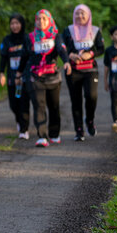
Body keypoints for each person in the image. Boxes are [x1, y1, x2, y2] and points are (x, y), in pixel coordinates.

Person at [18, 9, 71, 148]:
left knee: (54, 106)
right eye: (38, 19)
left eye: (44, 19)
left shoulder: (55, 36)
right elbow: (24, 56)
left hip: (53, 76)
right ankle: (42, 136)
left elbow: (61, 50)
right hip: (35, 76)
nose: (41, 21)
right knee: (39, 106)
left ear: (49, 21)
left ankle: (54, 134)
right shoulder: (30, 37)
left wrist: (66, 61)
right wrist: (19, 72)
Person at [62, 4, 104, 141]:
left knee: (91, 96)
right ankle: (79, 130)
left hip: (90, 70)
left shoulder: (95, 30)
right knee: (76, 100)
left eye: (82, 13)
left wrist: (90, 54)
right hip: (73, 70)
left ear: (88, 15)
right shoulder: (68, 31)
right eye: (77, 13)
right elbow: (62, 48)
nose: (80, 16)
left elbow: (101, 49)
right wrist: (70, 55)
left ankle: (90, 120)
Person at [0, 13, 31, 139]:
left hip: (25, 76)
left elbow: (29, 56)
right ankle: (19, 120)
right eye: (12, 23)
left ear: (22, 24)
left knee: (24, 103)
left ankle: (24, 129)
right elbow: (3, 58)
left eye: (17, 23)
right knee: (13, 104)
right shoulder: (7, 40)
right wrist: (1, 73)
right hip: (12, 77)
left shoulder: (27, 38)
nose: (14, 26)